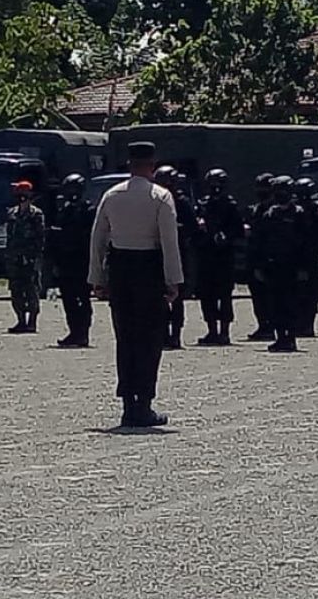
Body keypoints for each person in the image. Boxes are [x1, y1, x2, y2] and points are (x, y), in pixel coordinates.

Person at [88, 141, 183, 427]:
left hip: (121, 270)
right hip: (149, 269)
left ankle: (128, 402)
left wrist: (97, 278)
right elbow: (169, 241)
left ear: (129, 165)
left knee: (125, 338)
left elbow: (98, 239)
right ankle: (144, 402)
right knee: (150, 339)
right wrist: (173, 280)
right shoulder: (161, 197)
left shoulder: (111, 195)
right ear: (151, 165)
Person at [253, 176, 313, 353]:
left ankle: (291, 337)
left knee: (291, 303)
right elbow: (260, 242)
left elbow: (307, 243)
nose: (280, 195)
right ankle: (280, 337)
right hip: (273, 267)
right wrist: (259, 266)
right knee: (274, 304)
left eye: (283, 191)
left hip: (293, 267)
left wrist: (304, 268)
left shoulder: (299, 214)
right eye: (277, 191)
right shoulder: (269, 215)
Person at [194, 168, 245, 346]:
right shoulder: (203, 204)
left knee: (224, 296)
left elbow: (239, 231)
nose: (215, 188)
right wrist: (200, 226)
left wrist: (226, 236)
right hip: (206, 256)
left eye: (218, 184)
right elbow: (195, 230)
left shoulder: (230, 206)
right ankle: (212, 331)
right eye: (212, 184)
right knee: (207, 296)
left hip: (224, 258)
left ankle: (224, 332)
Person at [49, 174, 96, 348]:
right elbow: (58, 234)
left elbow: (90, 236)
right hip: (65, 261)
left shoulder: (88, 210)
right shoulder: (64, 210)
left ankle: (83, 332)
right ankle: (74, 331)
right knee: (68, 299)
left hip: (82, 261)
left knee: (83, 299)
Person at [154, 165, 195, 349]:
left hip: (179, 252)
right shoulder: (155, 201)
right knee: (158, 298)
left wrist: (178, 229)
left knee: (177, 298)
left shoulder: (182, 202)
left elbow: (192, 228)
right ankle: (162, 333)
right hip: (157, 253)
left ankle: (176, 334)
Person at [5, 180, 45, 333]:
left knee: (32, 290)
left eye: (23, 194)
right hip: (14, 259)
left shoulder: (36, 214)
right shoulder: (12, 213)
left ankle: (32, 322)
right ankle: (20, 320)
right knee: (16, 291)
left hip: (30, 259)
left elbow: (40, 238)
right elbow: (9, 236)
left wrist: (35, 258)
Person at [293, 177, 318, 337]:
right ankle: (301, 323)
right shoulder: (297, 210)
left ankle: (307, 324)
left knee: (311, 292)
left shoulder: (315, 210)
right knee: (300, 292)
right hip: (298, 253)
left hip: (311, 254)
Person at [245, 173, 276, 341]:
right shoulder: (256, 209)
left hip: (268, 258)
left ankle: (272, 326)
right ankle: (263, 325)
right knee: (257, 296)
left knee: (270, 296)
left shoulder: (274, 210)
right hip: (254, 256)